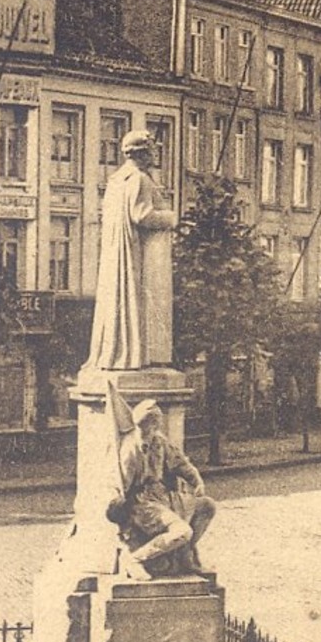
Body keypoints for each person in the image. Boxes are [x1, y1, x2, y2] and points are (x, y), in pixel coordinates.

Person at [85, 130, 180, 372]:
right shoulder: (139, 178)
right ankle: (131, 354)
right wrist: (170, 218)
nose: (156, 154)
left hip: (114, 253)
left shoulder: (116, 180)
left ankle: (114, 352)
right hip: (132, 252)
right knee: (132, 299)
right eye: (153, 149)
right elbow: (142, 215)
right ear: (143, 153)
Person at [109, 399, 217, 578]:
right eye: (155, 422)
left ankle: (185, 555)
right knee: (183, 532)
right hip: (142, 504)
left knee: (206, 506)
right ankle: (136, 559)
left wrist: (196, 480)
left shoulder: (159, 441)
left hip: (163, 497)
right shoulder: (130, 449)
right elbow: (121, 487)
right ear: (149, 424)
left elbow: (180, 462)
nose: (157, 426)